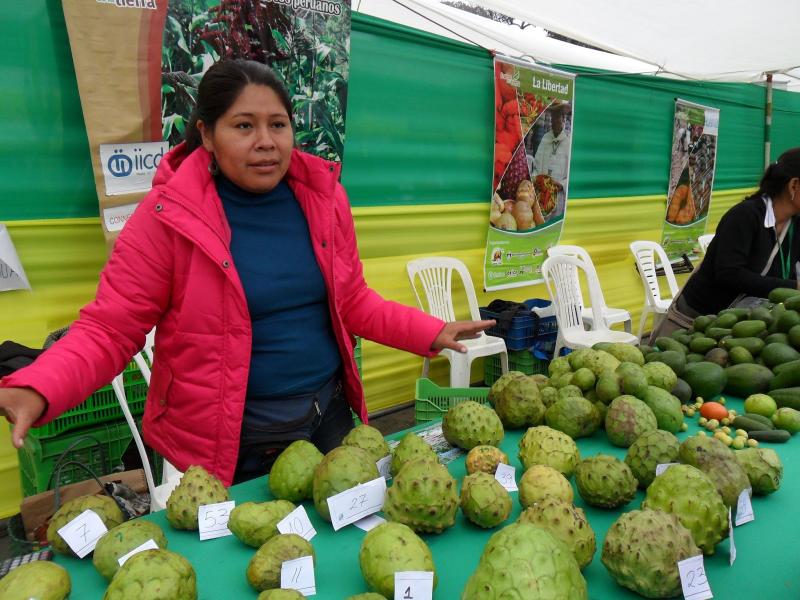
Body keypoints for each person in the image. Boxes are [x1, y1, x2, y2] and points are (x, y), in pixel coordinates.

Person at [0, 59, 494, 486]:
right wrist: (41, 385)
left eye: (278, 125)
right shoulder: (168, 217)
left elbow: (352, 300)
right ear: (207, 135)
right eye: (244, 126)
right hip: (233, 441)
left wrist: (431, 330)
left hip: (329, 416)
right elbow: (111, 328)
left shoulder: (322, 199)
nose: (266, 143)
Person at [671, 147, 800, 319]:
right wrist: (794, 287)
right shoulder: (745, 216)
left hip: (747, 318)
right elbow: (730, 274)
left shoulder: (795, 223)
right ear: (794, 185)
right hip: (702, 316)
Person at [532, 102, 571, 191]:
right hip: (541, 192)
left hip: (558, 195)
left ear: (563, 119)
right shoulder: (545, 138)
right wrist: (536, 179)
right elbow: (536, 166)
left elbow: (572, 175)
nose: (554, 121)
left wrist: (561, 185)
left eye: (557, 117)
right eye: (553, 118)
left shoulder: (568, 142)